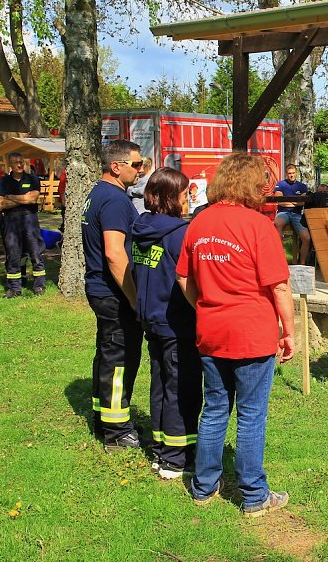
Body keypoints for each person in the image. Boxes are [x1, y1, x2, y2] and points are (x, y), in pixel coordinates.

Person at [176, 152, 295, 517]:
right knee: (251, 414)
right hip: (251, 332)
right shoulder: (258, 226)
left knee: (214, 409)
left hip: (212, 330)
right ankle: (254, 495)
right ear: (252, 184)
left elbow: (183, 277)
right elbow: (279, 287)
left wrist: (205, 306)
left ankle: (204, 486)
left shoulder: (199, 222)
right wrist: (289, 331)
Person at [131, 167, 202, 479]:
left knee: (160, 384)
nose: (190, 199)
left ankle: (161, 449)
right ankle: (175, 458)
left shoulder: (140, 227)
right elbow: (189, 277)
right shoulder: (179, 233)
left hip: (150, 319)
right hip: (176, 323)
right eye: (186, 193)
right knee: (181, 389)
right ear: (174, 197)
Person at [81, 140, 146, 451]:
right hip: (113, 293)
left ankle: (102, 416)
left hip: (100, 288)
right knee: (120, 359)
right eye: (136, 165)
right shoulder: (116, 200)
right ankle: (117, 432)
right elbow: (114, 254)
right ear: (116, 166)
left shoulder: (98, 193)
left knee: (107, 355)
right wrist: (134, 298)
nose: (140, 170)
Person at [0, 152, 46, 297]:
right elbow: (0, 203)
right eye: (16, 162)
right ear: (10, 164)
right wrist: (23, 198)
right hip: (11, 221)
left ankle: (39, 286)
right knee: (13, 255)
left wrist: (10, 197)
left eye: (21, 162)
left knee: (36, 253)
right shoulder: (3, 181)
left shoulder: (32, 179)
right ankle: (14, 288)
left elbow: (33, 199)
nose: (19, 164)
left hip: (30, 219)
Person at [274, 164, 311, 264]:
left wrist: (289, 201)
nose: (291, 175)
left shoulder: (302, 186)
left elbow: (302, 202)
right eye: (289, 173)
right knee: (277, 223)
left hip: (297, 214)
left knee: (306, 238)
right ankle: (278, 258)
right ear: (286, 174)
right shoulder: (280, 184)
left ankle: (302, 263)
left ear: (296, 173)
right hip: (283, 212)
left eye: (293, 173)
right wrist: (295, 202)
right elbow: (280, 201)